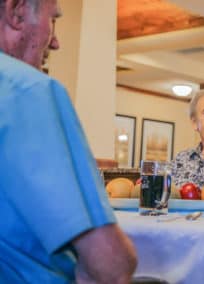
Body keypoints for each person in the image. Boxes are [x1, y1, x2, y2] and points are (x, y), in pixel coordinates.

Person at [0, 0, 137, 283]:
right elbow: (110, 266)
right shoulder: (28, 91)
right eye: (54, 21)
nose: (57, 42)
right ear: (17, 11)